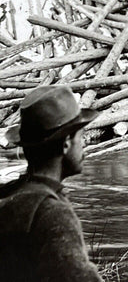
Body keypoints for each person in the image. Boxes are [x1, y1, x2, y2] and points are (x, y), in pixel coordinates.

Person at [0, 85, 102, 282]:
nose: (85, 144)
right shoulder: (53, 213)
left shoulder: (10, 196)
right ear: (66, 143)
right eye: (81, 137)